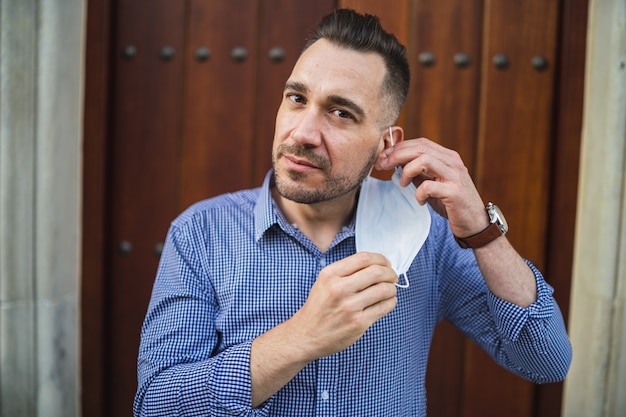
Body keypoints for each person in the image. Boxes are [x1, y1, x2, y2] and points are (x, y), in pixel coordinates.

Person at [134, 9, 571, 417]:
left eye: (341, 113)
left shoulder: (425, 239)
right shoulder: (201, 232)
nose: (302, 133)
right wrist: (301, 337)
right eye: (297, 97)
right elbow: (155, 403)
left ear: (386, 146)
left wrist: (481, 229)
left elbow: (547, 359)